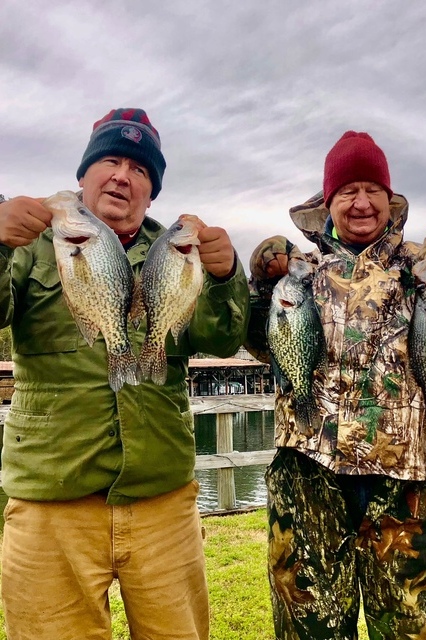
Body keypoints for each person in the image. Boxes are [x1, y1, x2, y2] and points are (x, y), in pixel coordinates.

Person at [0, 107, 250, 640]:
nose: (122, 175)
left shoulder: (175, 251)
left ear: (151, 193)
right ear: (83, 176)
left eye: (139, 169)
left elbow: (222, 338)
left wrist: (227, 276)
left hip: (163, 502)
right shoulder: (32, 242)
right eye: (110, 161)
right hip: (51, 503)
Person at [245, 130, 426, 639]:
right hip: (310, 477)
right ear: (328, 202)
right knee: (310, 628)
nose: (361, 201)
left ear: (389, 199)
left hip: (414, 481)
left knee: (410, 628)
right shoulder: (300, 273)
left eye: (372, 188)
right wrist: (263, 281)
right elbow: (262, 342)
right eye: (347, 190)